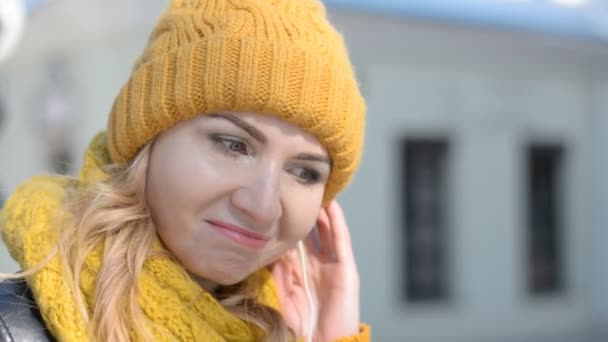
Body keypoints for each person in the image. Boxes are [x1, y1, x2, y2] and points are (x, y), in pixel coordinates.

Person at [0, 0, 368, 340]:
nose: (263, 207)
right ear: (149, 137)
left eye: (304, 172)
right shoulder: (13, 326)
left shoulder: (280, 327)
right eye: (232, 145)